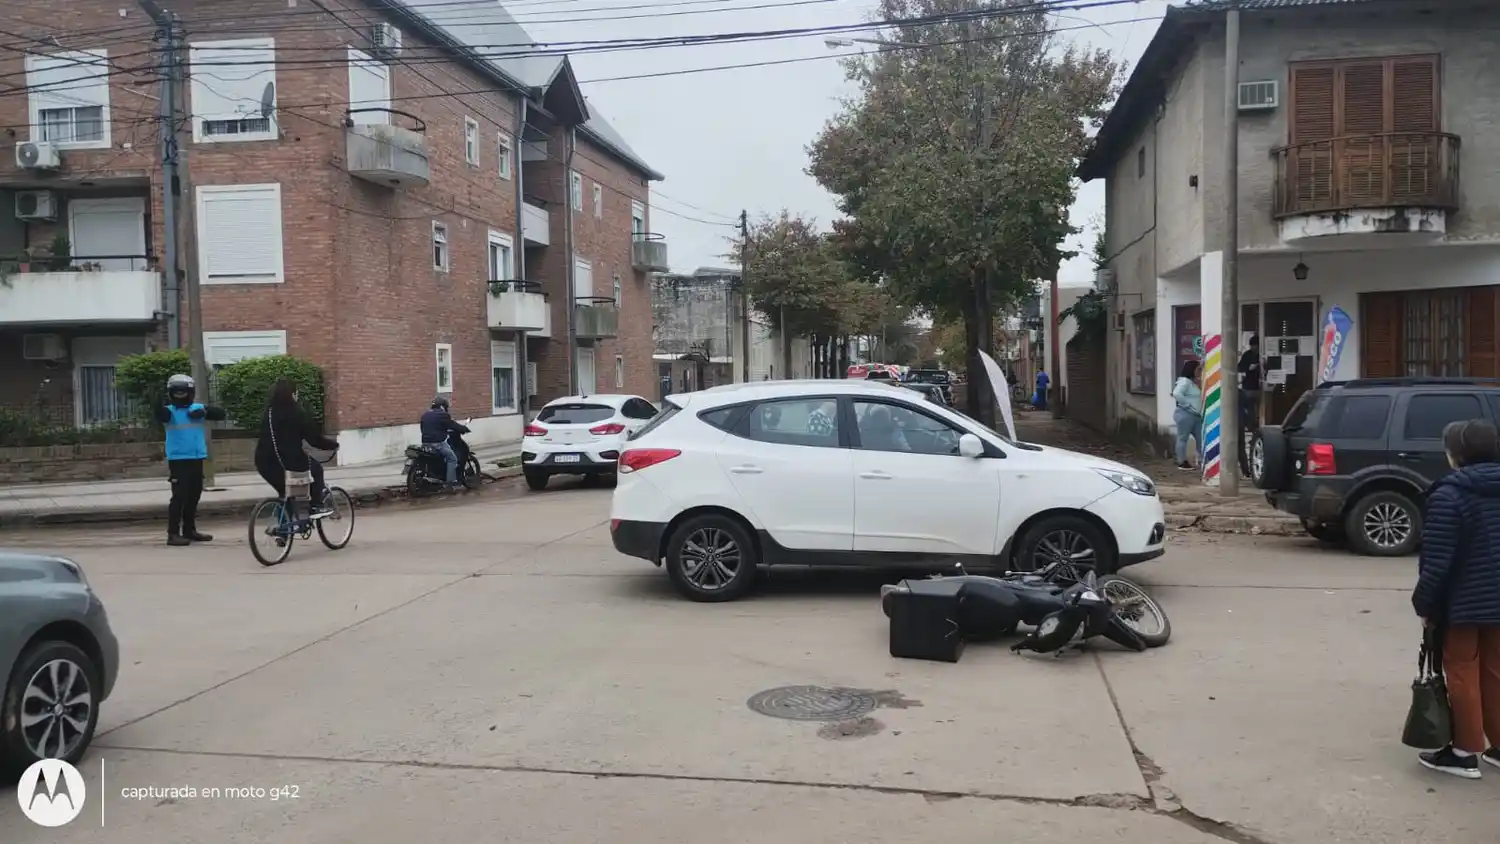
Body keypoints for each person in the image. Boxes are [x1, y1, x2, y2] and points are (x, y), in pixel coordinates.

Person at [1412, 419, 1500, 779]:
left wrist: (1424, 605)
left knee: (1461, 671)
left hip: (1463, 603)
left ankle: (1464, 752)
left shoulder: (1449, 495)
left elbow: (1437, 561)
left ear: (1456, 455)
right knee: (1496, 671)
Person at [154, 374, 227, 546]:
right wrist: (157, 399)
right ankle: (172, 534)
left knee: (194, 495)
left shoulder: (197, 408)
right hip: (178, 460)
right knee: (179, 497)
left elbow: (221, 414)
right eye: (177, 393)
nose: (181, 396)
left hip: (196, 458)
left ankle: (189, 530)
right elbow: (159, 415)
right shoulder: (169, 412)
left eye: (184, 392)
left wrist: (205, 411)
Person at [254, 377, 339, 513]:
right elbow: (314, 439)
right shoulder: (297, 412)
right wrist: (333, 445)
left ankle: (284, 528)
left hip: (264, 462)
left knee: (285, 493)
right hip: (286, 461)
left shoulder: (268, 412)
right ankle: (317, 505)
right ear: (293, 394)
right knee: (316, 470)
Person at [420, 395, 470, 489]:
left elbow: (423, 428)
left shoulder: (425, 414)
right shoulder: (443, 415)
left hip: (425, 443)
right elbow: (452, 425)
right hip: (437, 443)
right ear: (443, 406)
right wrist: (464, 429)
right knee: (452, 459)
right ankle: (451, 482)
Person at [1171, 360, 1203, 471]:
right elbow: (1176, 393)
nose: (1200, 371)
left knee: (1201, 438)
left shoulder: (1192, 383)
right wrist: (1187, 405)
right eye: (1198, 369)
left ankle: (1203, 461)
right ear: (1192, 369)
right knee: (1183, 438)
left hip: (1196, 415)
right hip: (1186, 414)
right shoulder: (1184, 381)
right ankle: (1181, 461)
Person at [1237, 335, 1262, 478]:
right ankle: (1252, 424)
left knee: (1240, 446)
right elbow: (1240, 368)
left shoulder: (1262, 355)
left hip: (1258, 388)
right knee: (1239, 446)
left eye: (1256, 345)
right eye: (1253, 345)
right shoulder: (1247, 356)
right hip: (1249, 388)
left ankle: (1253, 424)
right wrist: (1249, 369)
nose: (1254, 348)